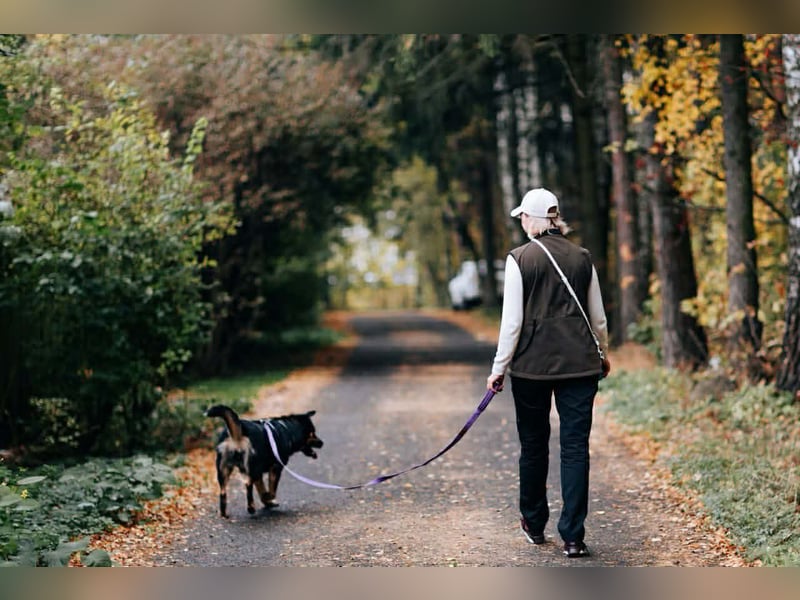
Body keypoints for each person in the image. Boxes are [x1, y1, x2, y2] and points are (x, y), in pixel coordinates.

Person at [486, 187, 611, 558]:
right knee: (575, 448)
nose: (521, 222)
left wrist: (498, 369)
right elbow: (598, 317)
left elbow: (512, 323)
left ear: (536, 219)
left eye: (523, 216)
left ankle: (534, 523)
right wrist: (603, 352)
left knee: (534, 444)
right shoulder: (582, 257)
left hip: (531, 368)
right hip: (579, 365)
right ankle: (573, 536)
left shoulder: (519, 259)